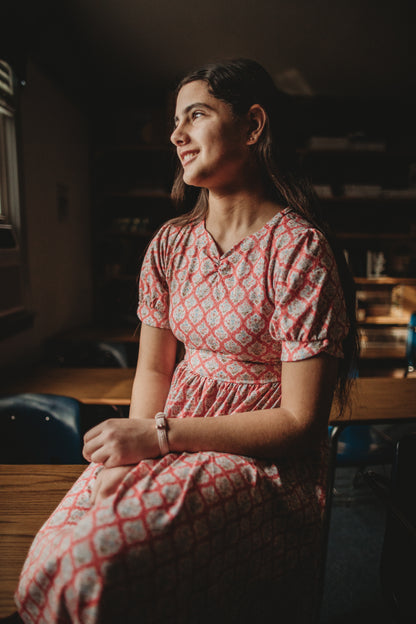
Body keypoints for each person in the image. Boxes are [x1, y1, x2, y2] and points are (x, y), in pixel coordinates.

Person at [14, 58, 358, 624]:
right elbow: (153, 372)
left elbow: (301, 422)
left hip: (255, 452)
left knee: (93, 570)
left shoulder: (300, 249)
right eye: (176, 120)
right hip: (164, 433)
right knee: (50, 564)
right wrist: (125, 463)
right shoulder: (170, 245)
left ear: (252, 125)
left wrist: (159, 435)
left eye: (195, 115)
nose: (176, 134)